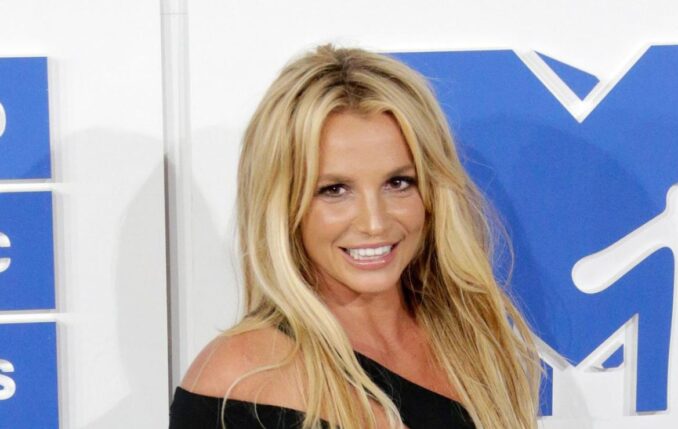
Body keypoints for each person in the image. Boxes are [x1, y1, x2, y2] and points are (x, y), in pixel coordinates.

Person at [169, 45, 540, 429]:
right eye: (334, 190)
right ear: (283, 205)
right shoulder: (239, 380)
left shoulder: (473, 343)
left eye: (399, 182)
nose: (375, 223)